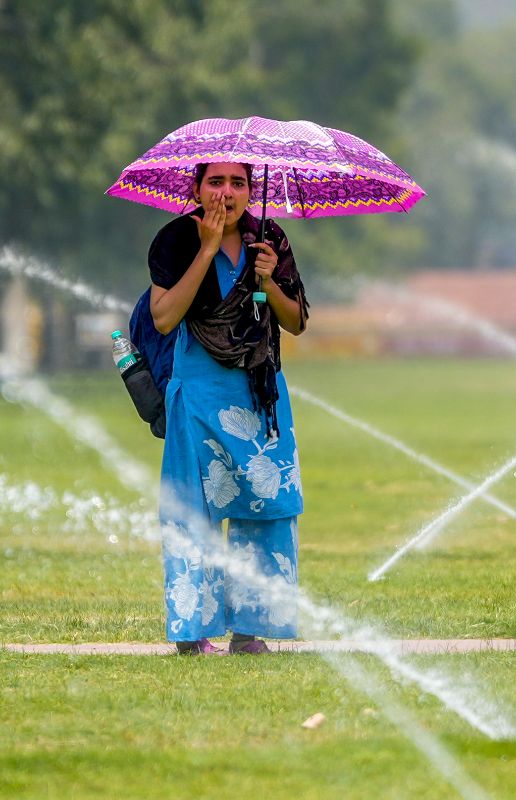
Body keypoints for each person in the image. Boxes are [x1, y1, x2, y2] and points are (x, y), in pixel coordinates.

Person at [147, 161, 308, 655]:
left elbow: (297, 321)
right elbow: (164, 316)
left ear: (251, 190)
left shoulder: (270, 238)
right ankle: (191, 633)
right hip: (198, 389)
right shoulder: (176, 238)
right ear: (196, 188)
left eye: (238, 182)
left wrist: (269, 279)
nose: (227, 192)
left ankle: (249, 630)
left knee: (267, 502)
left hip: (258, 391)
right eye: (215, 181)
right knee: (193, 508)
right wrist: (209, 250)